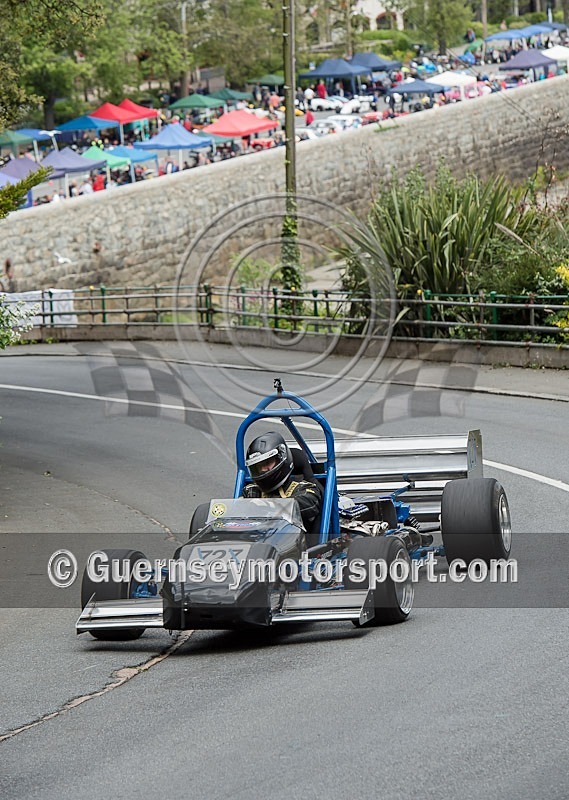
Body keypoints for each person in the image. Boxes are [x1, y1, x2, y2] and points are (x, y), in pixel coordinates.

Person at [245, 432, 323, 542]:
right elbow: (235, 514)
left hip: (294, 547)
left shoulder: (305, 488)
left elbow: (306, 505)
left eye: (268, 462)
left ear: (281, 459)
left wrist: (268, 506)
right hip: (255, 543)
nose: (265, 469)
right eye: (260, 466)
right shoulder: (251, 491)